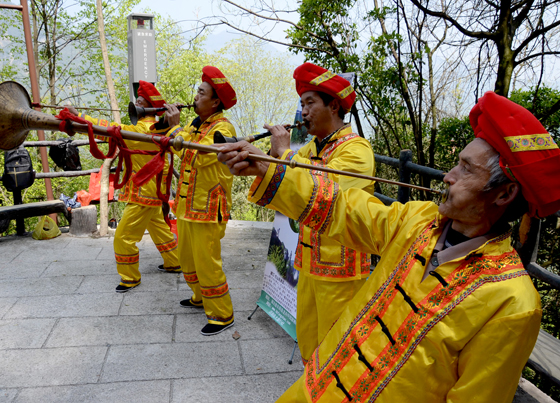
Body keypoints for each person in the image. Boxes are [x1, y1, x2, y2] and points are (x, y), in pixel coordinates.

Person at [218, 91, 560, 402]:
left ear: (504, 194)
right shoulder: (419, 218)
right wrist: (267, 169)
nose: (448, 176)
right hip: (315, 388)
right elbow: (342, 208)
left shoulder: (513, 302)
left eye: (466, 169)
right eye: (457, 163)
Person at [273, 63, 375, 363]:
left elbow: (322, 190)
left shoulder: (356, 150)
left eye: (310, 103)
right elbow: (284, 172)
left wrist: (283, 153)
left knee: (336, 349)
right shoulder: (314, 148)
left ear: (333, 106)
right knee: (308, 340)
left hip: (342, 271)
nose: (303, 112)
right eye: (301, 104)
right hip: (308, 263)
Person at [70, 81, 181, 293]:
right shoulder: (154, 128)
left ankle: (130, 277)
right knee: (159, 229)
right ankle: (175, 261)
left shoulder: (141, 132)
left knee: (123, 237)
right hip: (152, 192)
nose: (135, 104)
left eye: (140, 102)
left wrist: (80, 118)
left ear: (149, 107)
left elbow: (109, 130)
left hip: (143, 194)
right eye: (137, 101)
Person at [163, 66, 237, 336]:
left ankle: (222, 313)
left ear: (215, 101)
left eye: (201, 92)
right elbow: (183, 148)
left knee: (207, 262)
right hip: (187, 205)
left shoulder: (223, 128)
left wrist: (175, 129)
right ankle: (200, 297)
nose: (195, 97)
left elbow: (195, 156)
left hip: (207, 207)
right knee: (187, 258)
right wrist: (181, 130)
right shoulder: (198, 125)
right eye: (197, 91)